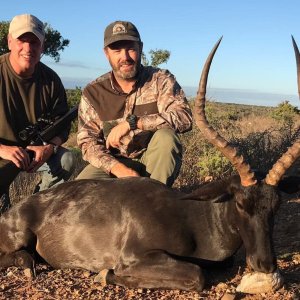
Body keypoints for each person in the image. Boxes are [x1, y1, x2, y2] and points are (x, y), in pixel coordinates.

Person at [76, 20, 192, 186]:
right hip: (114, 164)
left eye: (131, 48)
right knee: (78, 192)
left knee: (167, 138)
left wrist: (134, 123)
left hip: (153, 161)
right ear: (106, 53)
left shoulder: (160, 80)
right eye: (117, 50)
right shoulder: (93, 92)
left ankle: (153, 202)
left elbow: (184, 117)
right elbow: (88, 143)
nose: (125, 57)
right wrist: (119, 169)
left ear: (140, 48)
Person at [0, 14, 75, 214]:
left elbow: (63, 125)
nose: (28, 48)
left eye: (34, 42)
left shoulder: (51, 80)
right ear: (9, 41)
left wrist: (50, 147)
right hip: (2, 153)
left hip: (34, 153)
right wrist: (3, 149)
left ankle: (35, 209)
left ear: (42, 46)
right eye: (21, 40)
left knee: (66, 160)